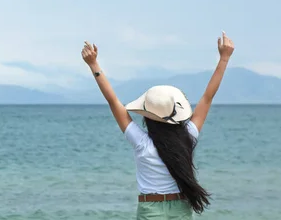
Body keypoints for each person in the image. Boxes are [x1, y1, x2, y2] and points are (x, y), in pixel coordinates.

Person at [81, 32, 235, 219]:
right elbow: (207, 97)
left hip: (151, 210)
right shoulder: (188, 136)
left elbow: (113, 101)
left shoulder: (141, 142)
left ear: (147, 117)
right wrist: (224, 58)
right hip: (181, 207)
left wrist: (93, 65)